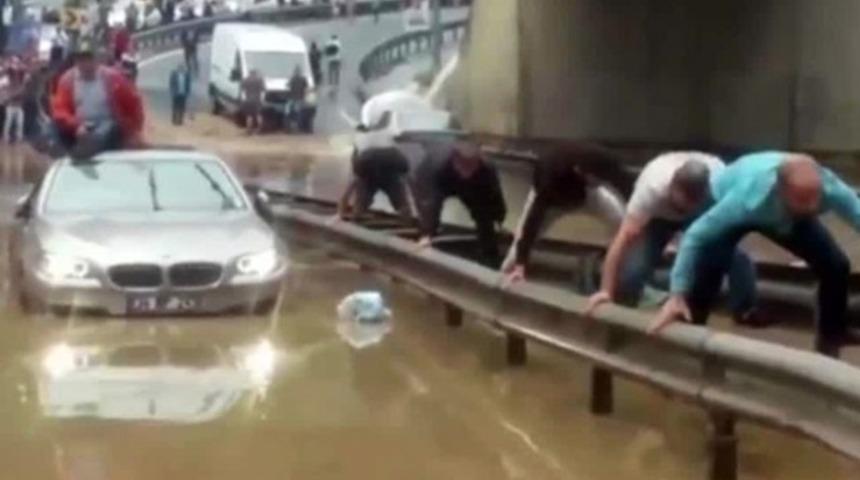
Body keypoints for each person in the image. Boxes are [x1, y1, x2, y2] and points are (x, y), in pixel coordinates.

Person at [648, 152, 860, 357]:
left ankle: (831, 335)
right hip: (741, 199)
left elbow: (856, 213)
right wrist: (677, 293)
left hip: (785, 215)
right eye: (802, 199)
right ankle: (689, 328)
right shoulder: (742, 201)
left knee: (836, 265)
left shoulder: (829, 187)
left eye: (814, 198)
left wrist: (803, 206)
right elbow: (695, 237)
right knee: (711, 263)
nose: (811, 206)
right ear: (780, 190)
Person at [585, 152, 761, 326]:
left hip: (701, 214)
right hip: (658, 217)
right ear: (672, 187)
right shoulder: (651, 190)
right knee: (635, 269)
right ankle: (620, 318)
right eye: (683, 203)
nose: (686, 208)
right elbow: (621, 241)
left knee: (735, 258)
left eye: (693, 203)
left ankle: (744, 311)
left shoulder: (720, 183)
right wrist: (605, 290)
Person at [502, 144, 634, 284]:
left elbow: (627, 185)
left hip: (587, 196)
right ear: (579, 171)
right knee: (520, 243)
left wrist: (637, 216)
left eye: (598, 181)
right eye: (593, 181)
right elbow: (532, 221)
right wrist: (520, 264)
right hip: (552, 203)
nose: (597, 183)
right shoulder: (549, 178)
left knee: (621, 221)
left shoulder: (602, 161)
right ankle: (507, 272)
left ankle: (624, 269)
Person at [414, 136, 506, 268]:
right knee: (431, 206)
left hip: (471, 185)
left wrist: (500, 217)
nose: (467, 170)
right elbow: (430, 202)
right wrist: (426, 233)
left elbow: (494, 196)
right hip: (439, 180)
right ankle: (426, 235)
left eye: (472, 165)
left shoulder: (487, 169)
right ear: (455, 159)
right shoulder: (437, 165)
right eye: (464, 165)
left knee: (483, 213)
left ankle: (490, 258)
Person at [50, 40, 145, 158]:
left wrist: (134, 132)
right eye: (81, 60)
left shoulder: (113, 78)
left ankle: (91, 146)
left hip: (105, 125)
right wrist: (76, 126)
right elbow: (60, 110)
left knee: (109, 126)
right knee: (54, 127)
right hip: (79, 126)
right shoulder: (67, 81)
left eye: (89, 59)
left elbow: (134, 104)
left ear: (97, 59)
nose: (86, 64)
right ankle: (61, 153)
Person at [337, 112, 415, 220]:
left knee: (361, 199)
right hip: (391, 159)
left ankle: (357, 214)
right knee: (401, 200)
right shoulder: (387, 129)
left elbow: (353, 179)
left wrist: (342, 210)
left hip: (369, 161)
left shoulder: (361, 138)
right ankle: (407, 215)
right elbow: (405, 171)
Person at [2, 62, 26, 144]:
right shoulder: (11, 84)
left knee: (19, 123)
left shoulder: (20, 84)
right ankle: (6, 138)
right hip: (11, 106)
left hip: (18, 106)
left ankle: (18, 138)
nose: (16, 76)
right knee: (9, 123)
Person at [241, 69, 265, 134]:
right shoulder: (260, 80)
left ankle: (249, 130)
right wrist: (262, 100)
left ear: (250, 73)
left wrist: (243, 99)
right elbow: (263, 91)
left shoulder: (246, 80)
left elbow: (243, 90)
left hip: (248, 100)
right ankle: (260, 129)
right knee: (258, 115)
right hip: (257, 100)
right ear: (255, 73)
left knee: (249, 116)